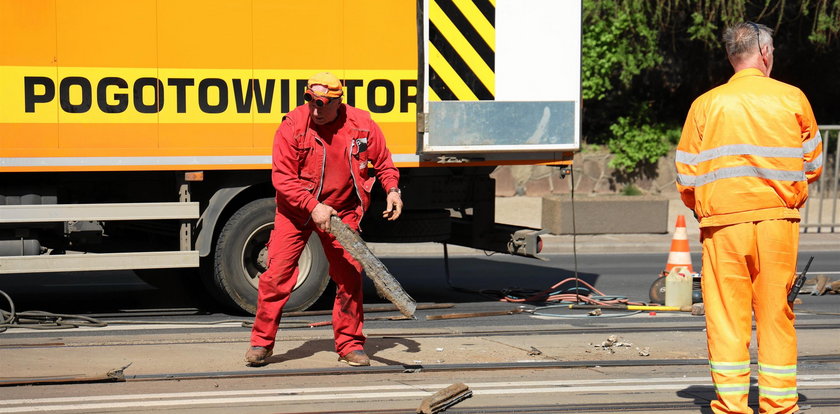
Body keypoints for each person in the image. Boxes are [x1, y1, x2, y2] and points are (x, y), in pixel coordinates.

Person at [676, 22, 823, 414]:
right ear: (766, 54)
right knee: (776, 315)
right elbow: (815, 163)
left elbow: (686, 174)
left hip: (724, 225)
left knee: (727, 318)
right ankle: (779, 405)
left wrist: (705, 205)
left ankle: (733, 406)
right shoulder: (792, 98)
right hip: (778, 225)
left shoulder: (706, 104)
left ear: (730, 57)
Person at [246, 72, 403, 367]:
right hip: (297, 211)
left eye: (323, 104)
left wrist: (393, 190)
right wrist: (312, 205)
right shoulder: (293, 125)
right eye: (311, 102)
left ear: (338, 102)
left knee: (348, 276)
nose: (315, 110)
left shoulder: (361, 124)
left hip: (342, 212)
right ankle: (261, 343)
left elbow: (383, 162)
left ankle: (349, 344)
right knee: (276, 276)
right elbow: (282, 179)